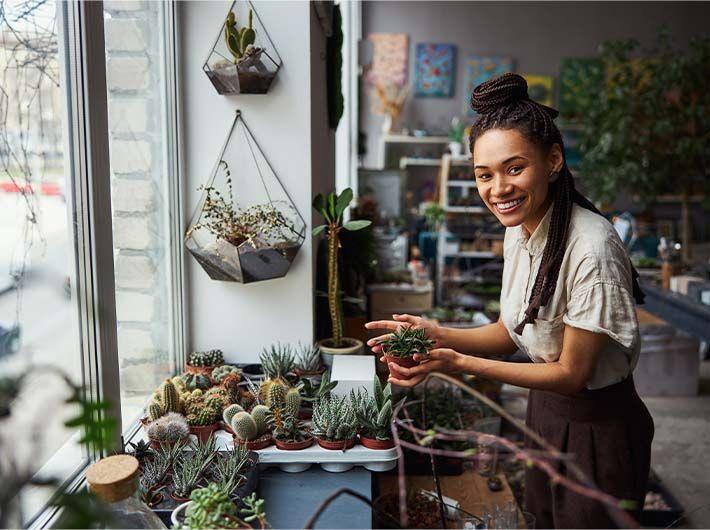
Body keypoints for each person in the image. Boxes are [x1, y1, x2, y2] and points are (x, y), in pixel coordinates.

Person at [365, 73, 654, 529]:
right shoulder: (521, 231)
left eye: (514, 168)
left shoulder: (591, 248)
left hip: (597, 429)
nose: (498, 189)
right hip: (545, 412)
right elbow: (508, 332)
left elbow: (571, 373)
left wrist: (453, 362)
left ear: (553, 160)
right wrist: (435, 333)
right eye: (485, 175)